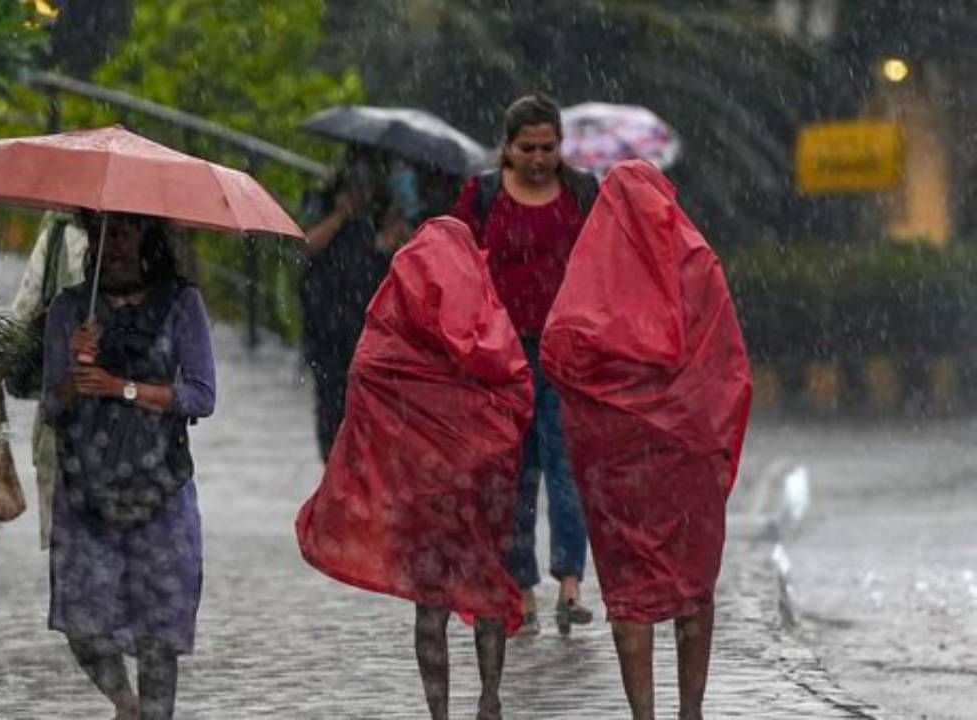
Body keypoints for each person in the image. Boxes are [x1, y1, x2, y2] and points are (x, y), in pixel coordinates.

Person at [297, 217, 534, 720]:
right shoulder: (483, 315)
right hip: (479, 485)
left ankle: (439, 712)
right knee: (488, 584)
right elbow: (516, 387)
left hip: (421, 488)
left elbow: (365, 377)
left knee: (431, 605)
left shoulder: (396, 321)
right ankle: (490, 697)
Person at [539, 161, 752, 719]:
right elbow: (728, 366)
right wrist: (704, 431)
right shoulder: (697, 262)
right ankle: (692, 711)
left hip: (617, 465)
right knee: (692, 583)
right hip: (688, 457)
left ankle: (644, 714)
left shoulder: (592, 275)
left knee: (630, 589)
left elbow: (559, 354)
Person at [42, 211, 216, 720]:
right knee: (83, 625)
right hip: (85, 493)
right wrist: (76, 374)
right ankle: (125, 703)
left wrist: (124, 389)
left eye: (123, 232)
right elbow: (52, 407)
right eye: (100, 233)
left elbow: (202, 396)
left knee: (159, 635)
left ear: (147, 237)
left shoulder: (182, 305)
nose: (112, 244)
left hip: (161, 487)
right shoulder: (70, 309)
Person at [449, 93, 599, 636]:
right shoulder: (483, 195)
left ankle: (570, 583)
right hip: (502, 355)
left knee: (567, 466)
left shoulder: (583, 193)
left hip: (566, 351)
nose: (538, 158)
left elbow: (606, 260)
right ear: (507, 149)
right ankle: (522, 585)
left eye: (548, 148)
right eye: (527, 148)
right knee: (515, 473)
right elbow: (455, 256)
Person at [299, 145, 403, 461]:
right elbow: (305, 246)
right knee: (331, 408)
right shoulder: (325, 201)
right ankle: (334, 469)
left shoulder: (386, 211)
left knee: (371, 411)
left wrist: (389, 239)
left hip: (369, 329)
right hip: (327, 327)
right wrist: (341, 215)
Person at [9, 212, 88, 549]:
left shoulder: (56, 234)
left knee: (63, 540)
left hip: (61, 412)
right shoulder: (146, 236)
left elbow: (23, 312)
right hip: (127, 427)